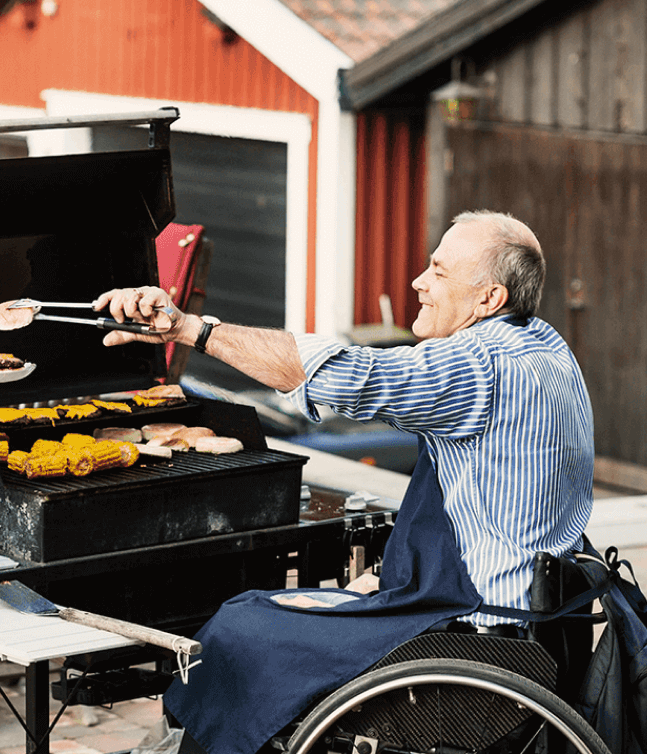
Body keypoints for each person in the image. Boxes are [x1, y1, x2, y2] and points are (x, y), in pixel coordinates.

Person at [96, 210, 594, 754]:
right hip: (536, 618)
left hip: (469, 635)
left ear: (489, 300)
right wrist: (388, 578)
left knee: (241, 632)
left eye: (439, 272)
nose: (418, 283)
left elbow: (348, 378)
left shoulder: (478, 365)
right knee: (263, 612)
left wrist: (193, 329)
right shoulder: (548, 350)